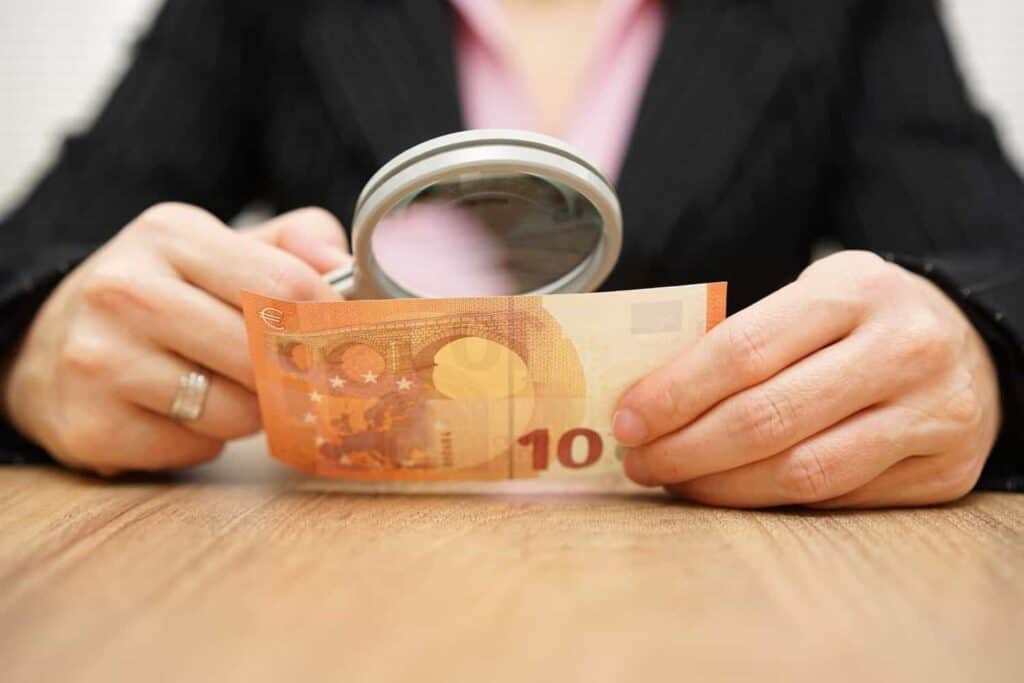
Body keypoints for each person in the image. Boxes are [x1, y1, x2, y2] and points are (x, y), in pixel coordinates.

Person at [0, 0, 1022, 508]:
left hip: (724, 595)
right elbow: (43, 249)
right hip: (342, 604)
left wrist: (977, 352)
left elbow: (996, 256)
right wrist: (37, 342)